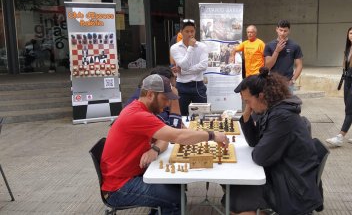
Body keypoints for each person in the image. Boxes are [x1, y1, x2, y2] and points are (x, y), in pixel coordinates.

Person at [101, 74, 228, 214]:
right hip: (119, 188)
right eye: (164, 98)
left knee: (176, 187)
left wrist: (154, 149)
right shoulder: (138, 115)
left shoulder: (141, 109)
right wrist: (212, 135)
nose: (167, 103)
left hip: (130, 176)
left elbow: (166, 138)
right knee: (176, 198)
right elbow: (178, 136)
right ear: (150, 94)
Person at [230, 67, 322, 215]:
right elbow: (254, 142)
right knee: (236, 190)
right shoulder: (272, 109)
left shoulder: (282, 117)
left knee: (240, 195)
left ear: (261, 96)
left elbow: (260, 156)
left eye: (248, 101)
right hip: (284, 172)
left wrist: (260, 145)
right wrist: (248, 109)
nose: (247, 104)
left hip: (293, 186)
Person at [326, 25, 352, 147]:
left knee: (348, 110)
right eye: (351, 33)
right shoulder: (349, 47)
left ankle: (340, 137)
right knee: (351, 108)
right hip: (348, 82)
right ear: (348, 34)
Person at [170, 19, 208, 115]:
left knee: (201, 116)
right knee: (181, 115)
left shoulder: (202, 46)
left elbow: (203, 66)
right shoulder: (175, 48)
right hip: (182, 86)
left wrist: (182, 71)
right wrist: (190, 47)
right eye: (187, 31)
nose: (190, 34)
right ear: (181, 32)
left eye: (192, 31)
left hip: (198, 85)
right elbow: (184, 65)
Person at [264, 20, 303, 88]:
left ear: (289, 31)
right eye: (280, 30)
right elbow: (268, 66)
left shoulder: (295, 46)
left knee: (289, 99)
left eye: (285, 31)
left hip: (288, 83)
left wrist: (293, 81)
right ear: (277, 29)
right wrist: (276, 51)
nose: (282, 33)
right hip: (273, 82)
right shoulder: (269, 45)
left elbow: (299, 65)